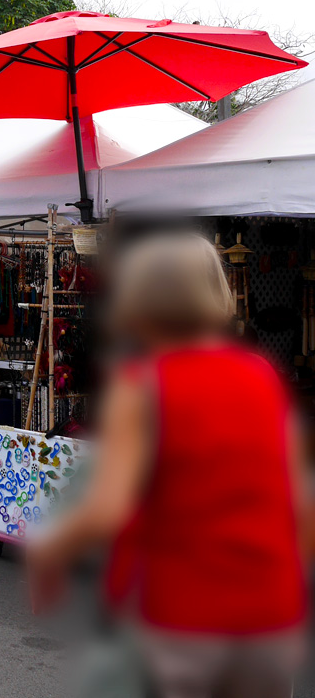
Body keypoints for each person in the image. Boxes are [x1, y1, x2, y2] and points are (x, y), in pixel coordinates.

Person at [27, 233, 312, 698]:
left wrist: (48, 554)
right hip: (269, 615)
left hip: (182, 614)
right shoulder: (260, 377)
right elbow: (299, 502)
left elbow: (108, 507)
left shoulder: (142, 385)